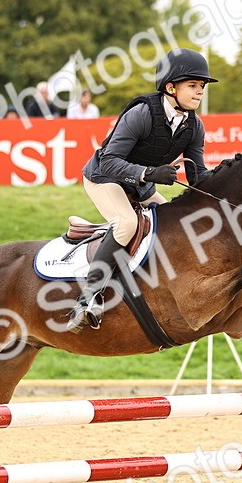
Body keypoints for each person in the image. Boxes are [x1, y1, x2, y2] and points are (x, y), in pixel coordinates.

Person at [65, 48, 215, 333]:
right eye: (193, 85)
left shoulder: (194, 126)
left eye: (202, 86)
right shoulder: (142, 113)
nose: (200, 92)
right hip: (104, 178)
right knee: (127, 223)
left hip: (139, 187)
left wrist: (228, 187)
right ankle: (86, 300)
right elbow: (109, 161)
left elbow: (198, 177)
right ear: (170, 87)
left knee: (173, 225)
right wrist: (148, 173)